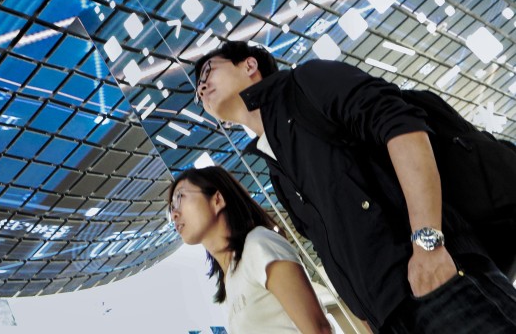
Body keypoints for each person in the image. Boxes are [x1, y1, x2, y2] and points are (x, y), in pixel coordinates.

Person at [193, 41, 516, 333]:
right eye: (197, 89)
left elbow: (403, 128)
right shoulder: (273, 164)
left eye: (209, 70)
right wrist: (367, 318)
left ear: (249, 65)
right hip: (390, 317)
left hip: (441, 279)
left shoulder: (307, 82)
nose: (202, 86)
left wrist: (428, 245)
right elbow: (327, 246)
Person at [168, 166, 332, 333]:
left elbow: (319, 329)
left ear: (217, 200)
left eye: (180, 197)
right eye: (171, 207)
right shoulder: (230, 281)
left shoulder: (258, 244)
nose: (174, 214)